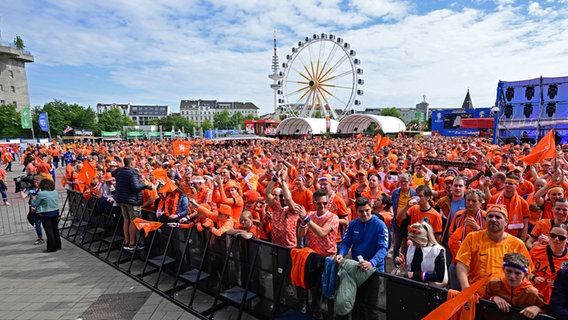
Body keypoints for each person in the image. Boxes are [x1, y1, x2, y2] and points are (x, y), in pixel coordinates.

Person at [455, 204, 532, 294]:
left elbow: (526, 273)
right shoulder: (472, 237)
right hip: (476, 295)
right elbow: (462, 265)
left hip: (504, 299)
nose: (493, 219)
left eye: (498, 217)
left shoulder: (517, 244)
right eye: (490, 216)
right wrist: (466, 289)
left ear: (506, 222)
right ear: (486, 219)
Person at [335, 196, 389, 319]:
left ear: (371, 208)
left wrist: (372, 263)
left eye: (367, 210)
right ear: (356, 211)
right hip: (357, 267)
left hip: (373, 270)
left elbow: (383, 248)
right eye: (361, 211)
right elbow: (346, 242)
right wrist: (340, 254)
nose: (364, 214)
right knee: (356, 303)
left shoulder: (380, 225)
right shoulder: (353, 223)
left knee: (370, 307)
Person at [484, 253, 545, 319]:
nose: (512, 276)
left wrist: (537, 308)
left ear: (525, 275)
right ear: (503, 269)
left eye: (517, 273)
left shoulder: (532, 293)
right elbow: (482, 302)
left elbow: (545, 310)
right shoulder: (493, 284)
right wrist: (493, 298)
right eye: (508, 271)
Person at [113, 156, 152, 251]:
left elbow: (113, 172)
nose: (135, 164)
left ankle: (126, 241)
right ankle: (132, 243)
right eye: (134, 163)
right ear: (131, 164)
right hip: (132, 201)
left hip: (122, 199)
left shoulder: (119, 171)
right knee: (134, 221)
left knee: (126, 220)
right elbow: (135, 186)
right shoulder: (132, 173)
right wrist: (145, 185)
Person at [527, 223, 568, 304]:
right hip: (533, 293)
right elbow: (523, 271)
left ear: (567, 239)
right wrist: (534, 277)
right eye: (553, 235)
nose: (557, 239)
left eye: (561, 237)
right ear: (548, 235)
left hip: (555, 299)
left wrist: (558, 283)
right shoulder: (536, 250)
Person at [400, 221, 447, 287]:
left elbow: (439, 277)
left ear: (423, 240)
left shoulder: (437, 251)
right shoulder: (412, 245)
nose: (412, 243)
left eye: (415, 241)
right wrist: (401, 261)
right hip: (412, 284)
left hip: (430, 288)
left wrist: (416, 275)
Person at [31, 178, 61, 252]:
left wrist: (33, 199)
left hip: (45, 213)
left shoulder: (41, 194)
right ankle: (58, 245)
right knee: (55, 230)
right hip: (55, 211)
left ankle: (51, 247)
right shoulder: (55, 192)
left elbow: (35, 203)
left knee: (49, 231)